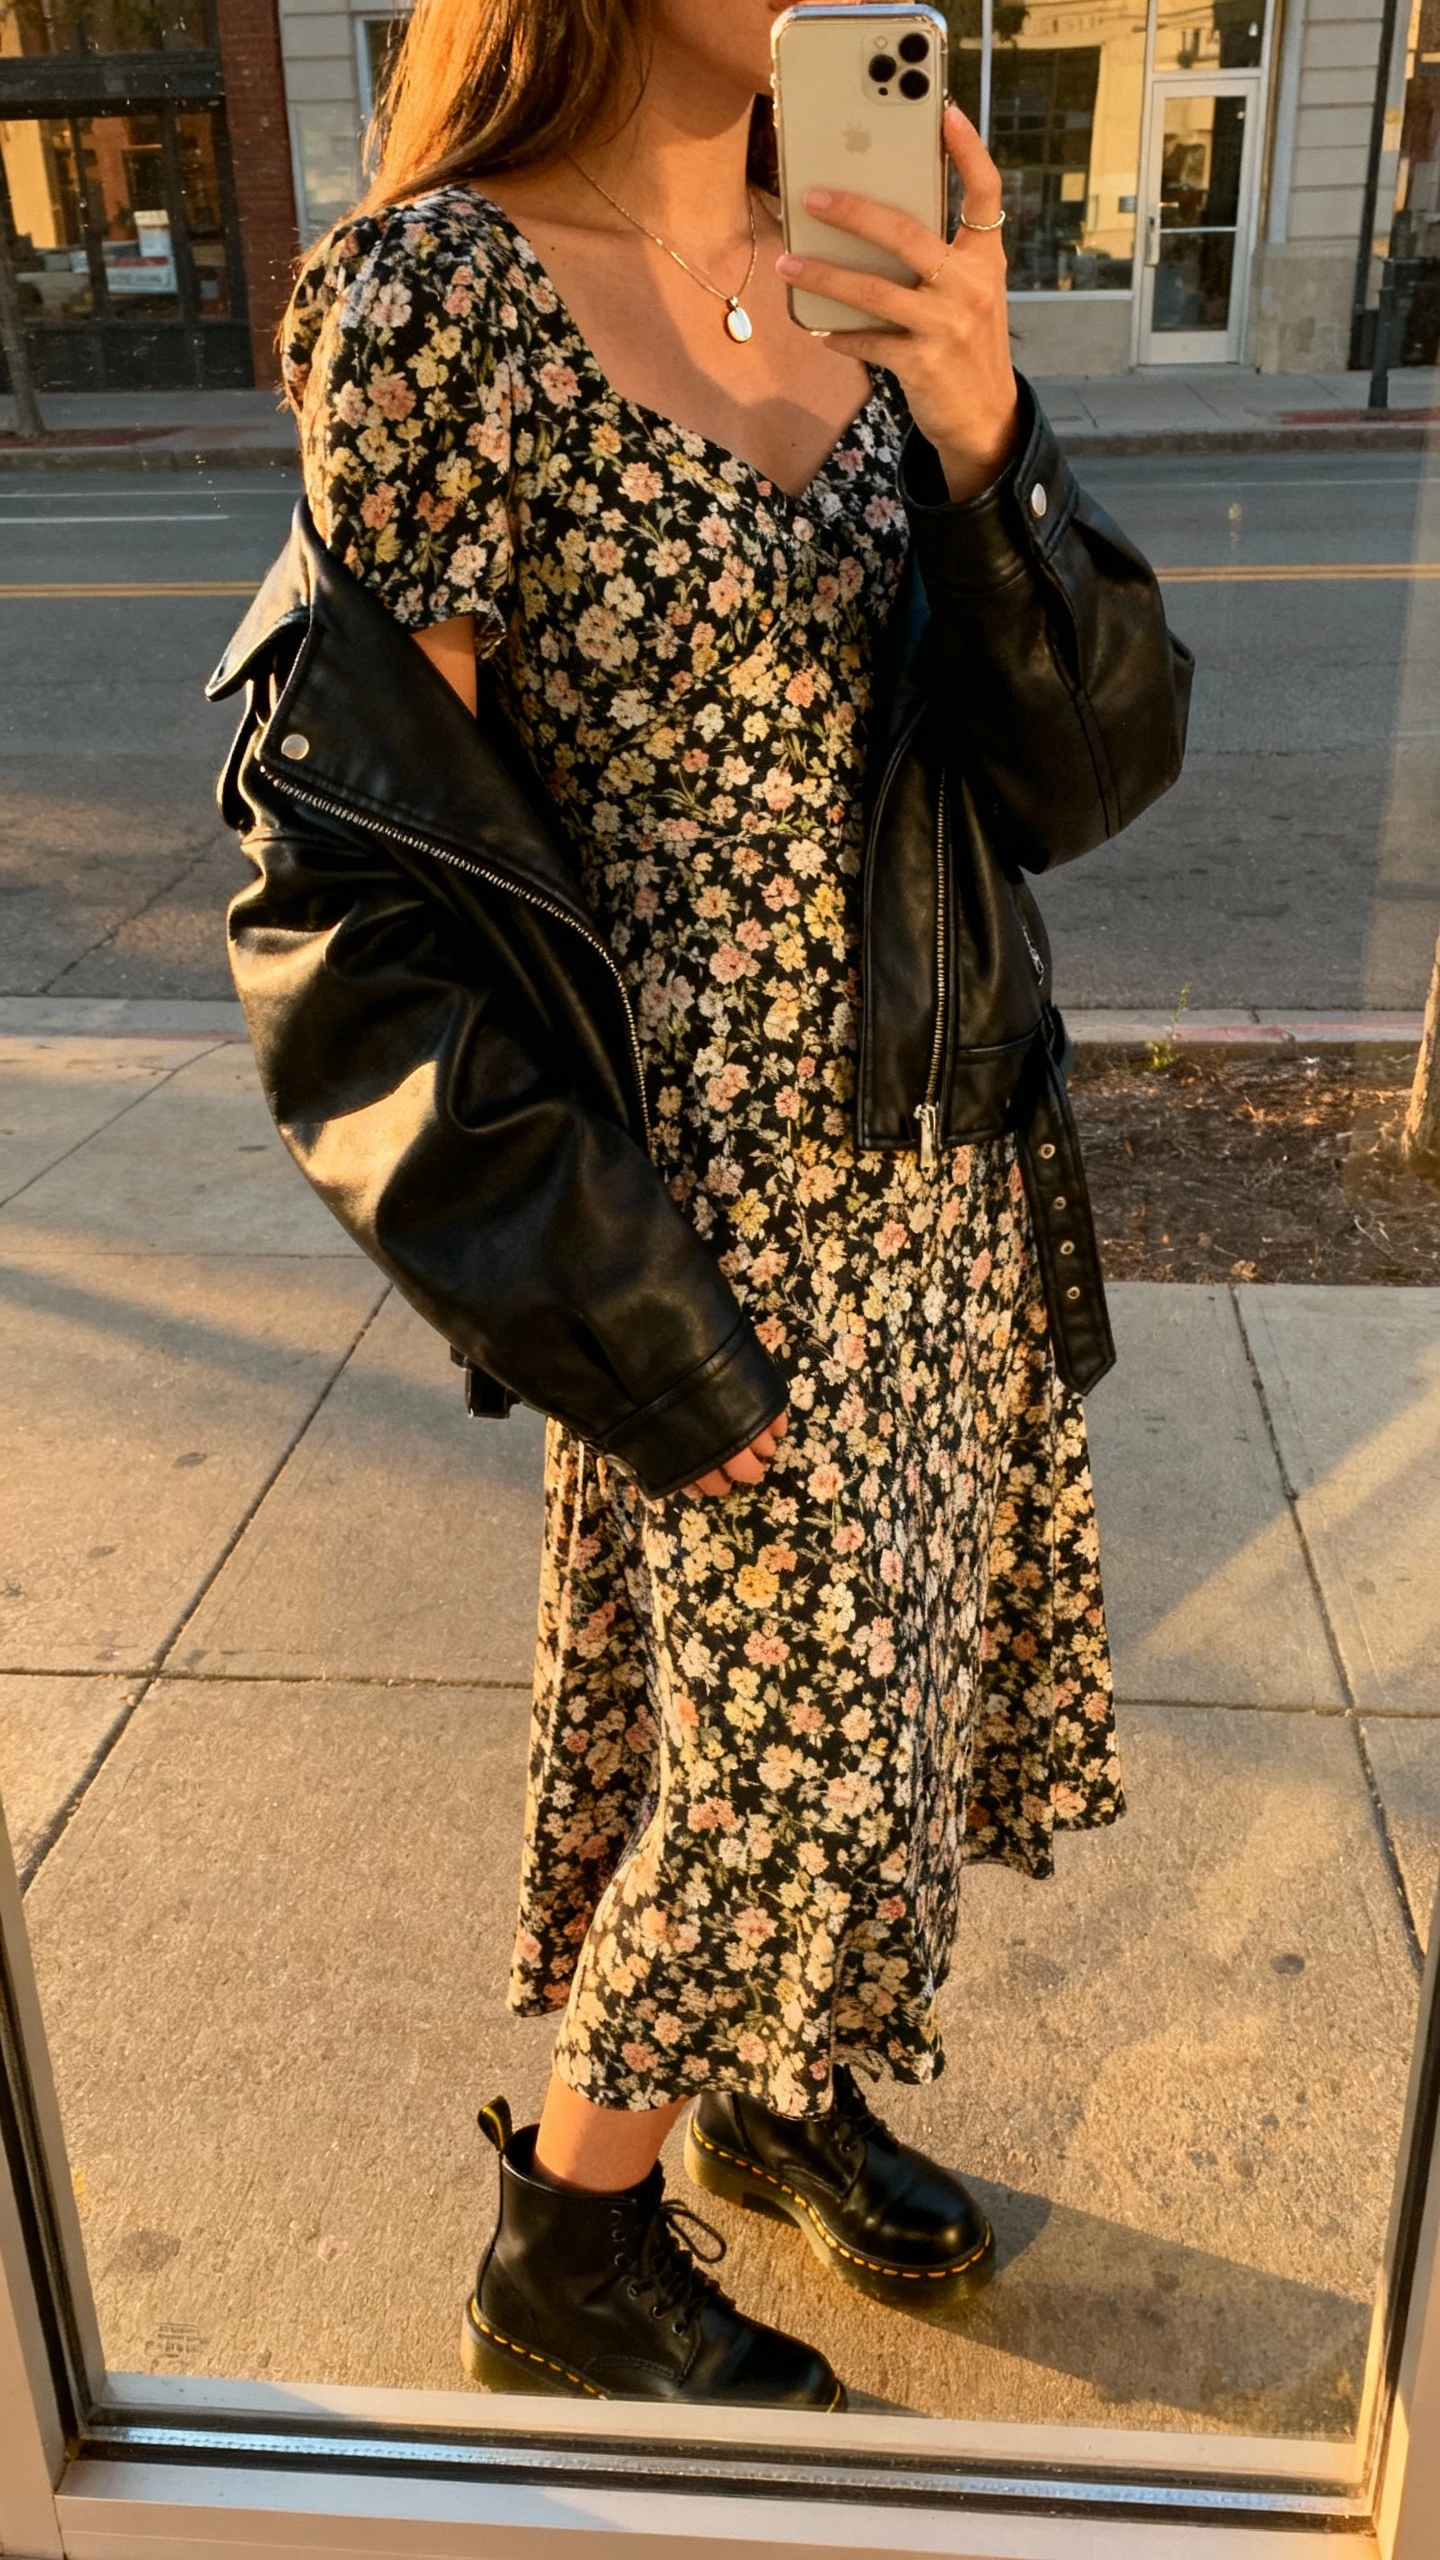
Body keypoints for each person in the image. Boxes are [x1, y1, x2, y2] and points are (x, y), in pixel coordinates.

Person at [208, 0, 1191, 2413]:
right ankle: (568, 2241)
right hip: (700, 1237)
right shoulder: (449, 300)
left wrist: (982, 419)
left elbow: (1084, 768)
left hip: (940, 1167)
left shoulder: (873, 260)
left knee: (878, 1712)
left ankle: (778, 2077)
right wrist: (628, 1321)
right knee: (771, 1776)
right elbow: (360, 909)